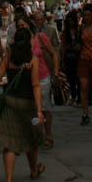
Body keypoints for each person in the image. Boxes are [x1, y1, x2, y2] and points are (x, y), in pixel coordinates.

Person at [0, 27, 45, 182]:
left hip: (10, 102)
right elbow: (35, 85)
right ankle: (33, 170)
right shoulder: (33, 60)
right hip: (28, 104)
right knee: (31, 139)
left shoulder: (8, 57)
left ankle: (9, 181)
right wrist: (39, 110)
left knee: (10, 144)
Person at [19, 13, 59, 149]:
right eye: (18, 26)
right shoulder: (17, 42)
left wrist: (56, 73)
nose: (21, 28)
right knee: (32, 108)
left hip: (43, 77)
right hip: (27, 79)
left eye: (23, 25)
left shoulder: (40, 37)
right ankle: (36, 134)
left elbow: (54, 53)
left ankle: (47, 134)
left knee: (44, 106)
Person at [62, 8, 81, 104]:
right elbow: (63, 46)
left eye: (72, 21)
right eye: (69, 21)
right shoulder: (65, 33)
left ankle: (79, 97)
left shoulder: (79, 31)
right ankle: (73, 95)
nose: (71, 23)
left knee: (79, 78)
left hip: (78, 57)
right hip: (69, 57)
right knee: (71, 78)